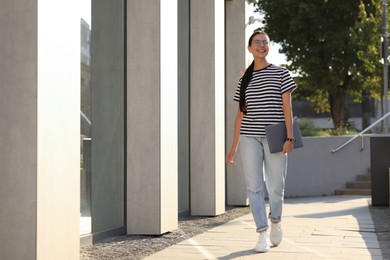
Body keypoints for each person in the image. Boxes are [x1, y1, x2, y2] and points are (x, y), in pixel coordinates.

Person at [226, 30, 297, 253]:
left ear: (268, 47)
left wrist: (290, 137)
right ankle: (262, 232)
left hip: (275, 136)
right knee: (254, 187)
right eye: (257, 42)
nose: (261, 45)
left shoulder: (281, 74)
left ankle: (275, 220)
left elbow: (288, 108)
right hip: (249, 137)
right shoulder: (243, 79)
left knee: (276, 186)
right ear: (249, 48)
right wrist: (233, 146)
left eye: (264, 42)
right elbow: (240, 114)